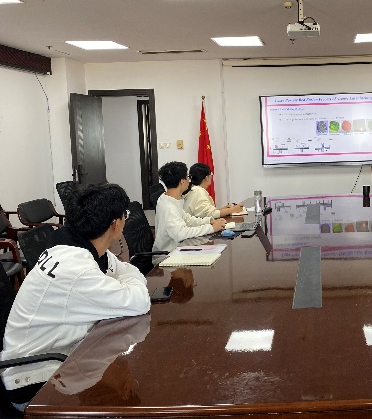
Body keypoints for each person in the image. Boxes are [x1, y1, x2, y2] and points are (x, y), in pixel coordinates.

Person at [1, 183, 151, 411]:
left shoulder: (78, 245)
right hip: (34, 379)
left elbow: (124, 270)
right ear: (115, 224)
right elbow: (139, 300)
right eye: (125, 215)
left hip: (61, 356)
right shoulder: (76, 267)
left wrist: (127, 279)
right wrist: (129, 280)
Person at [153, 161, 226, 252]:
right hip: (169, 254)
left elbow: (187, 219)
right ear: (182, 181)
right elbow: (181, 234)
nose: (189, 180)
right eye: (187, 177)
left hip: (178, 247)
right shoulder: (169, 207)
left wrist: (209, 221)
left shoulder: (167, 198)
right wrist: (211, 228)